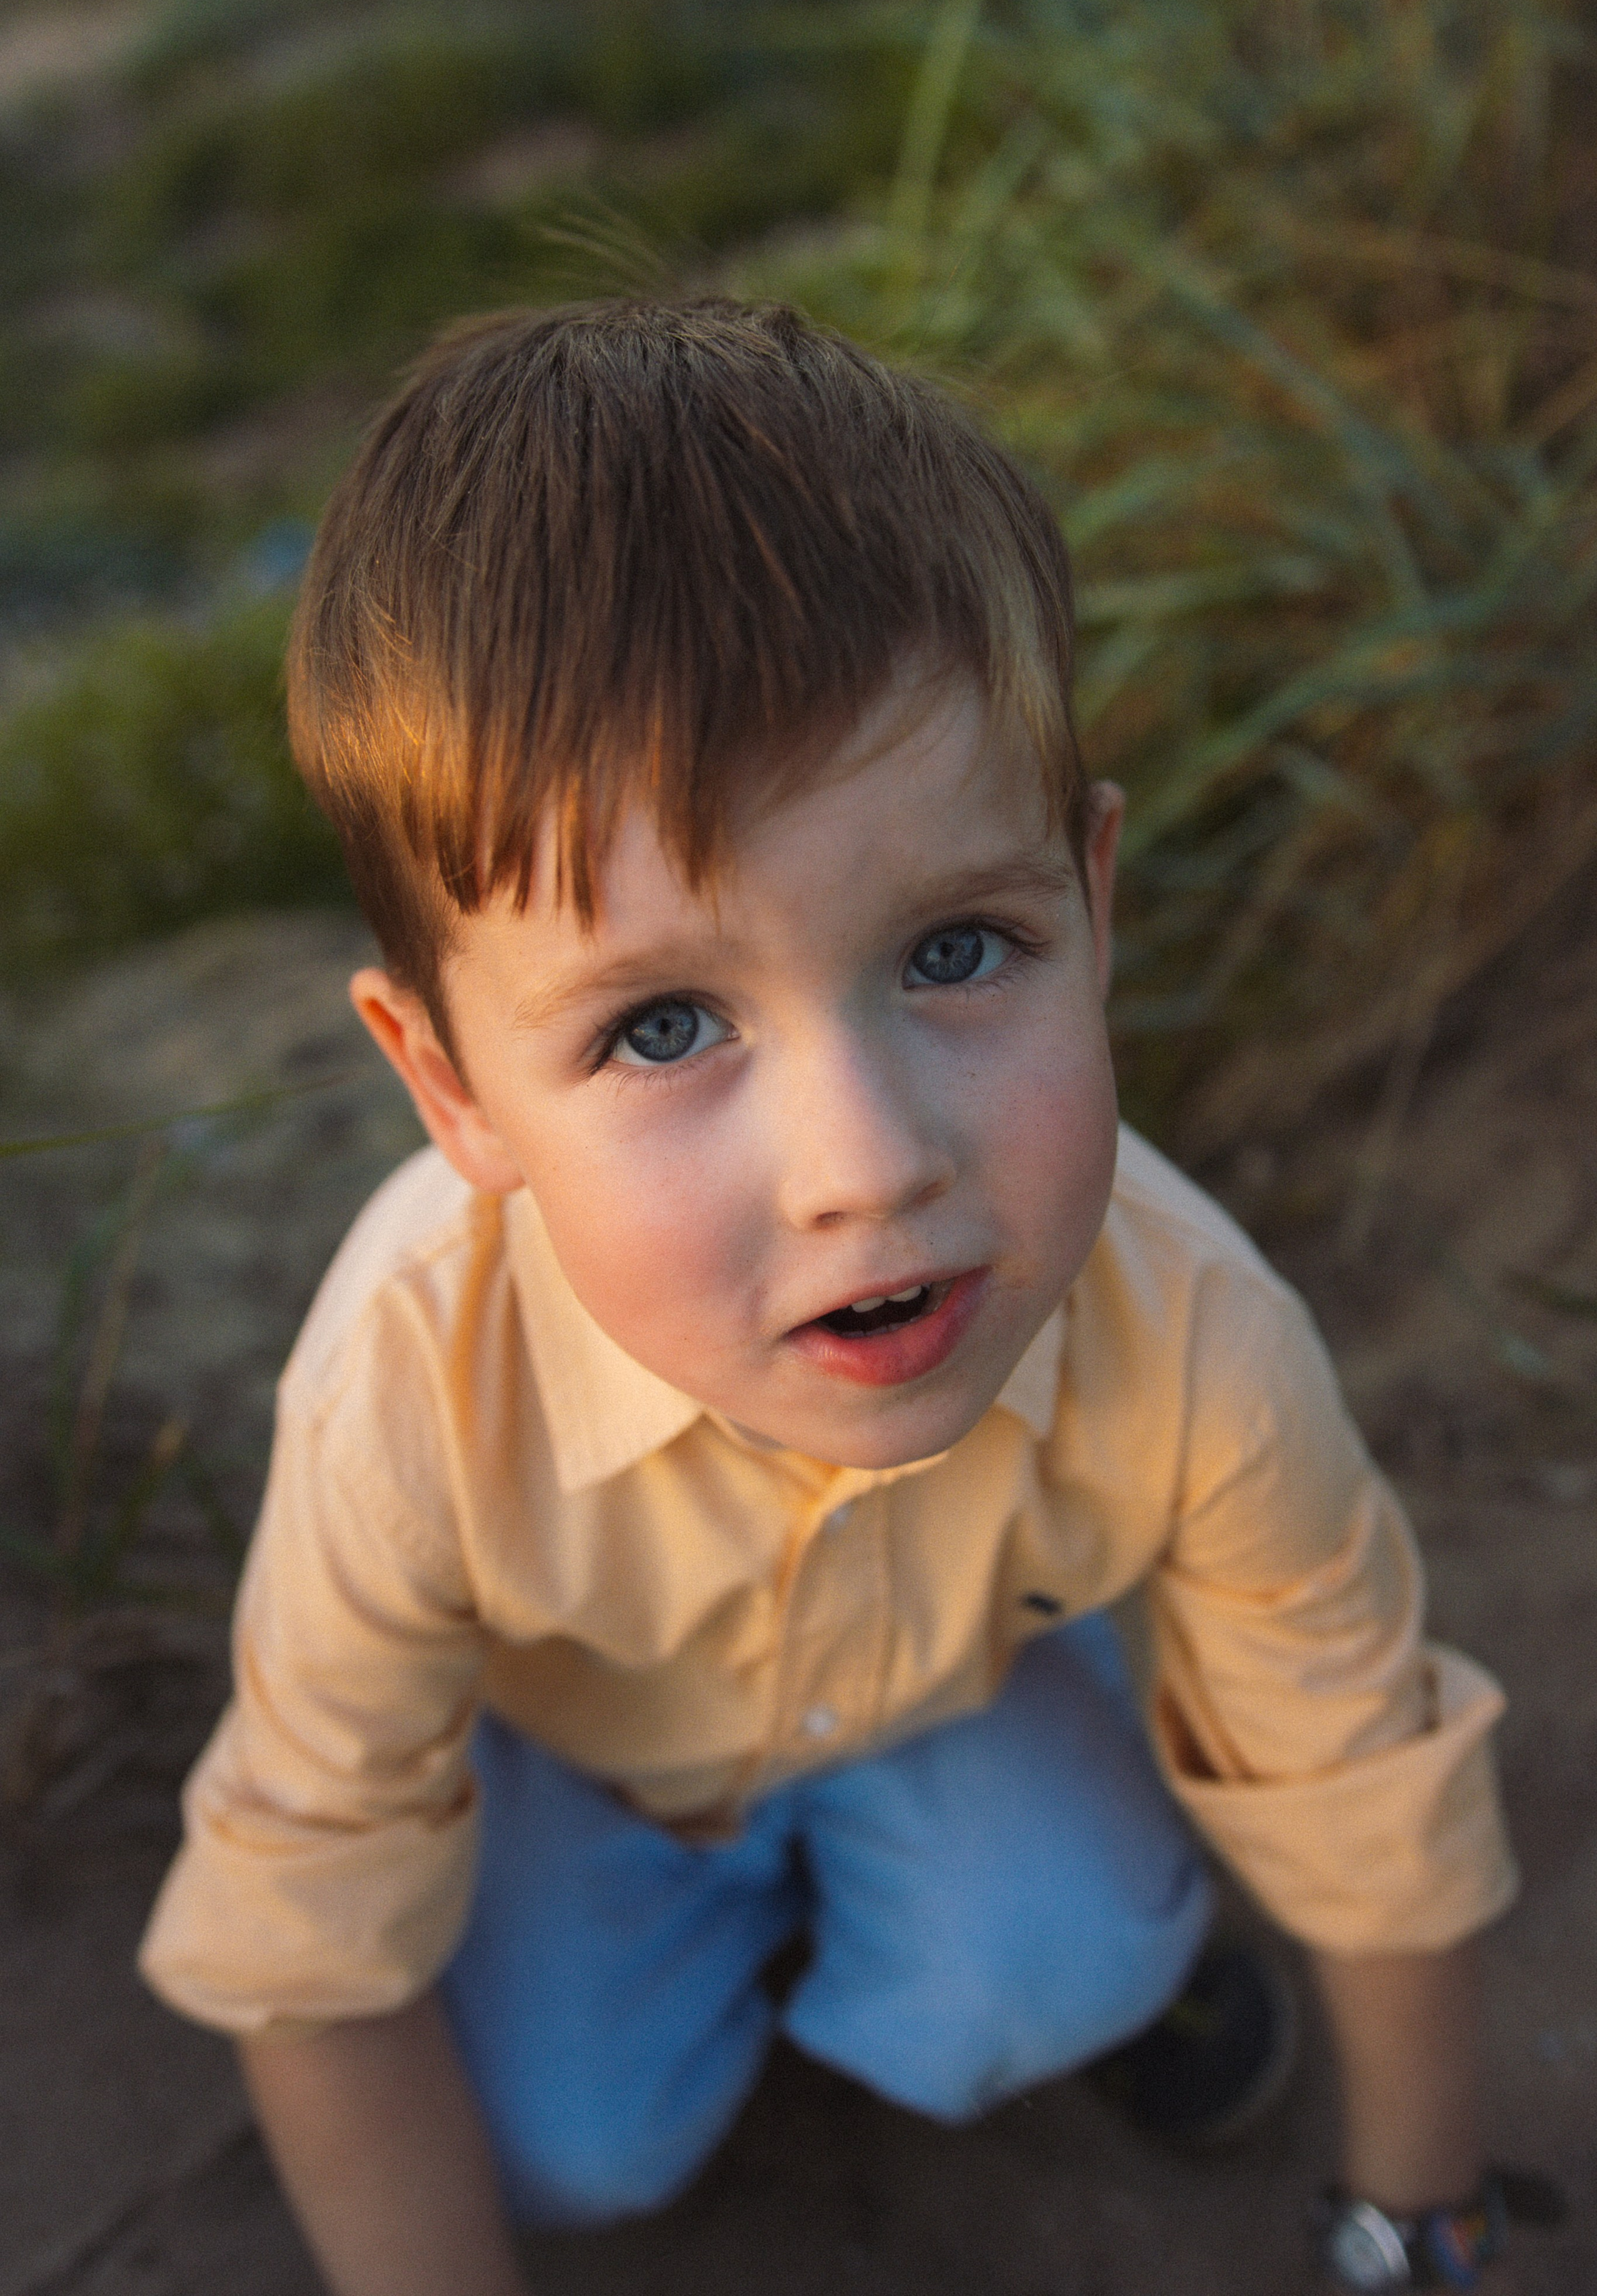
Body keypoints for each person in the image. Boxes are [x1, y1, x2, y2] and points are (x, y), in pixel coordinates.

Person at [139, 299, 1521, 2295]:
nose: (867, 1162)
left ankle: (1106, 1920)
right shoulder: (408, 1388)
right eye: (665, 1023)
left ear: (1092, 904)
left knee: (1057, 1964)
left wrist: (1425, 2219)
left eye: (960, 949)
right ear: (450, 1086)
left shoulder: (1193, 1322)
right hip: (593, 1768)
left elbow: (1366, 1784)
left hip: (950, 1705)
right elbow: (309, 1930)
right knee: (565, 2146)